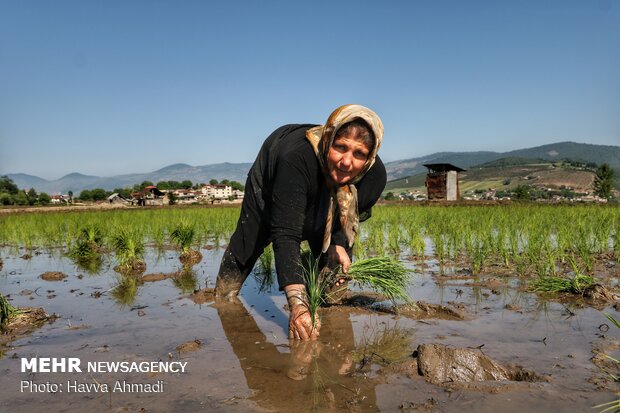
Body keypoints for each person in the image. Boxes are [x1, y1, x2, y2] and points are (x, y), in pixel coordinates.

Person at [214, 104, 386, 340]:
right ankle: (224, 298)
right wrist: (298, 306)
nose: (347, 162)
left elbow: (348, 218)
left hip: (327, 195)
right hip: (273, 179)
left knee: (335, 259)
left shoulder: (373, 177)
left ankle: (333, 318)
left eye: (359, 154)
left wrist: (337, 242)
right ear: (328, 140)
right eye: (340, 147)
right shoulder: (296, 158)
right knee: (250, 238)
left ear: (369, 157)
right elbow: (286, 235)